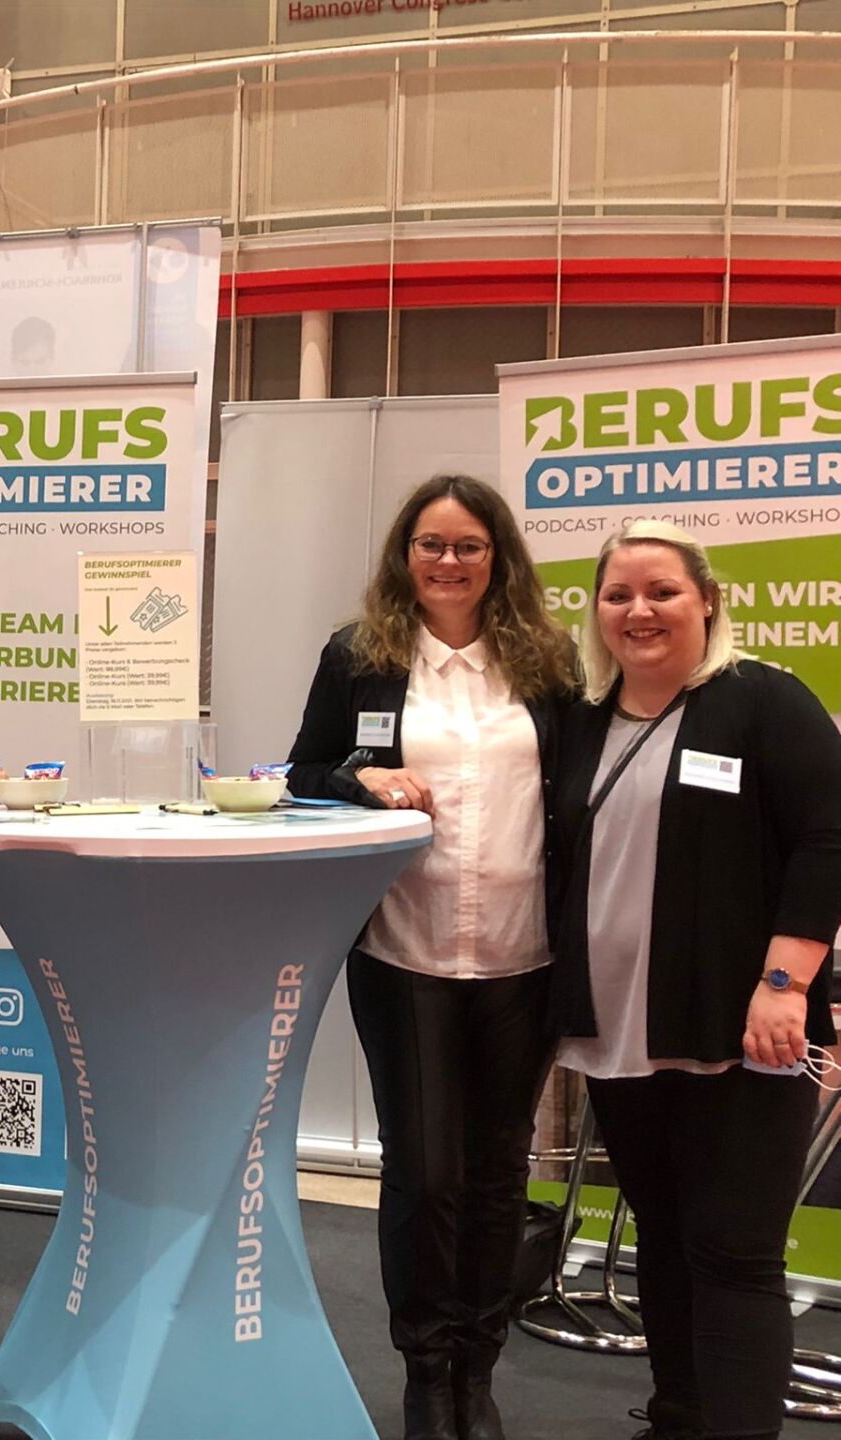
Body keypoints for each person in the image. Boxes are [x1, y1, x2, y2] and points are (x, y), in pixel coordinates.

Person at [287, 474, 577, 1440]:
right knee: (423, 1172)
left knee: (497, 1172)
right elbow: (302, 772)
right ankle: (424, 1371)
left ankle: (476, 1373)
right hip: (403, 949)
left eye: (469, 546)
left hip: (524, 955)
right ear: (404, 556)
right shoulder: (358, 655)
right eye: (431, 545)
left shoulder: (548, 661)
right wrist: (362, 779)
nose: (449, 562)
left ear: (499, 559)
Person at [549, 521, 841, 1440]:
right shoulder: (584, 719)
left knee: (735, 1253)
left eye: (662, 591)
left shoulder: (761, 700)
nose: (639, 611)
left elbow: (828, 837)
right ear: (598, 613)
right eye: (619, 595)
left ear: (707, 601)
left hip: (743, 1028)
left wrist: (785, 983)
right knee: (665, 1239)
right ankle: (679, 1418)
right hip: (621, 1031)